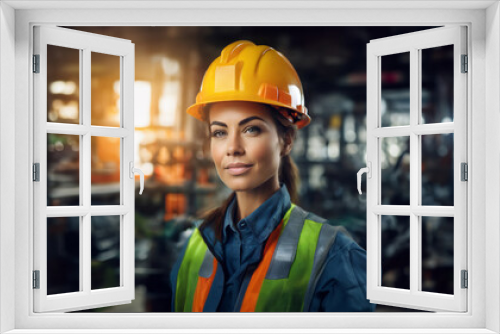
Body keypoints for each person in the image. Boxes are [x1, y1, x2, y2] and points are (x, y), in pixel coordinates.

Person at [170, 40, 376, 312]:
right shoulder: (194, 247)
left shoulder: (335, 257)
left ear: (286, 139)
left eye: (251, 129)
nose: (232, 148)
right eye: (219, 132)